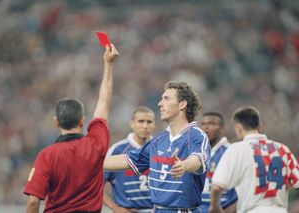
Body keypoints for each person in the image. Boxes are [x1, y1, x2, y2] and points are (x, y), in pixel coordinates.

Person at [24, 44, 119, 213]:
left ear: (56, 122)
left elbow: (33, 202)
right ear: (82, 121)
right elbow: (104, 102)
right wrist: (108, 64)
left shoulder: (47, 156)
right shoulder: (96, 144)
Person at [104, 81, 211, 212]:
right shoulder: (158, 140)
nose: (160, 103)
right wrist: (88, 161)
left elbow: (198, 159)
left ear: (182, 104)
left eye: (166, 99)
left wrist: (184, 165)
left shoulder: (196, 135)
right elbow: (128, 160)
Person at [210, 106, 299, 213]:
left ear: (238, 128)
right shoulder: (283, 149)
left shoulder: (236, 149)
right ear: (260, 126)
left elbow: (216, 187)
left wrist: (215, 207)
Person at [104, 106, 156, 213]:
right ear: (132, 124)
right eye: (140, 121)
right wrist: (114, 207)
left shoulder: (160, 148)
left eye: (149, 122)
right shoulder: (117, 149)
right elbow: (96, 185)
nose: (145, 126)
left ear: (154, 124)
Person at [199, 112, 237, 213]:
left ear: (221, 128)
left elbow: (241, 189)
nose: (206, 128)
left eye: (212, 124)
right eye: (203, 124)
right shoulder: (195, 153)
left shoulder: (231, 151)